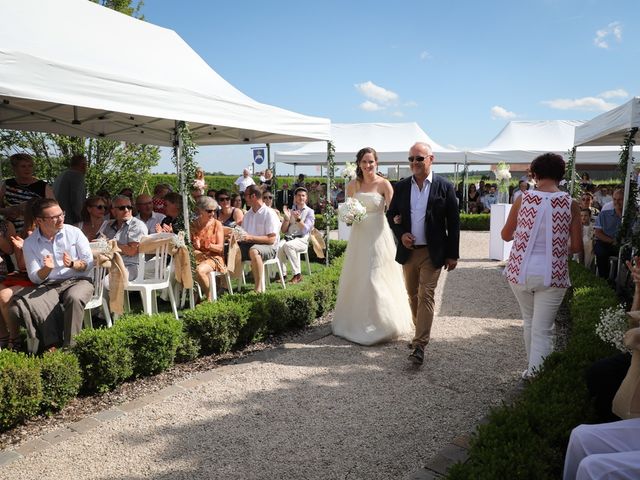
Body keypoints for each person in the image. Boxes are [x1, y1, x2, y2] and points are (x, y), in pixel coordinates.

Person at [502, 153, 582, 380]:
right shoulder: (571, 203)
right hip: (553, 274)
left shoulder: (523, 199)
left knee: (529, 322)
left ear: (535, 174)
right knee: (544, 329)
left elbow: (506, 235)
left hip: (520, 272)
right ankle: (538, 377)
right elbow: (576, 246)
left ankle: (531, 371)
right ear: (561, 176)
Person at [386, 142, 460, 364]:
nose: (414, 163)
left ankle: (419, 345)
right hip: (409, 252)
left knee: (426, 294)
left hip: (433, 252)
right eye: (411, 159)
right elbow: (391, 216)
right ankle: (420, 330)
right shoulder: (400, 187)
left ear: (431, 159)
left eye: (419, 158)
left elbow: (454, 223)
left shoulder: (444, 187)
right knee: (413, 295)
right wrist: (401, 233)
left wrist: (452, 254)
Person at [331, 147, 412, 346]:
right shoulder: (352, 185)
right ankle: (357, 321)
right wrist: (349, 216)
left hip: (378, 235)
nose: (368, 165)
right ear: (359, 164)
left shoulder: (384, 184)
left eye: (371, 162)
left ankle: (383, 323)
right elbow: (348, 213)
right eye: (364, 162)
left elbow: (393, 212)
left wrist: (399, 220)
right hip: (360, 235)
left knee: (376, 276)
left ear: (377, 163)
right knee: (360, 275)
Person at [9, 198, 94, 349]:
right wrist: (46, 269)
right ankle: (51, 343)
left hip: (78, 280)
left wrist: (74, 264)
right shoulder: (30, 242)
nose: (60, 219)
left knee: (74, 297)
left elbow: (89, 262)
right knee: (15, 309)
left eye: (61, 214)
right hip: (49, 285)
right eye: (54, 217)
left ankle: (70, 348)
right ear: (39, 221)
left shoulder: (74, 233)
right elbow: (35, 277)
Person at [237, 185, 281, 293]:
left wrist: (250, 238)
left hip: (269, 248)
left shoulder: (269, 213)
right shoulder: (247, 214)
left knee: (254, 251)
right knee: (228, 248)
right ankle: (223, 286)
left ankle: (258, 288)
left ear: (253, 196)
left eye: (245, 195)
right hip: (250, 245)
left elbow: (271, 240)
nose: (244, 198)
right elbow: (244, 235)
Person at [0, 153, 55, 233]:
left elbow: (54, 210)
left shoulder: (43, 186)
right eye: (23, 166)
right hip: (10, 230)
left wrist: (30, 210)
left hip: (35, 230)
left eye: (30, 166)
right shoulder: (6, 184)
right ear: (14, 168)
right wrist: (6, 211)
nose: (27, 169)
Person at [100, 195, 148, 281]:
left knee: (106, 283)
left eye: (129, 207)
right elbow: (100, 244)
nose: (126, 210)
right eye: (122, 208)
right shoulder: (108, 225)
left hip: (131, 266)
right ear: (113, 211)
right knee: (88, 276)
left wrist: (111, 245)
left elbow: (132, 250)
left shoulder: (136, 225)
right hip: (108, 264)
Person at [190, 196, 226, 300]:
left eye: (214, 211)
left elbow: (220, 248)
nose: (212, 214)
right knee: (184, 267)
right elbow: (189, 246)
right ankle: (195, 295)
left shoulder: (217, 224)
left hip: (214, 257)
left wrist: (209, 246)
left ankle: (209, 297)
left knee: (200, 270)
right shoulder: (193, 225)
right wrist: (195, 245)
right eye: (209, 211)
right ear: (200, 210)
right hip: (197, 256)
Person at [277, 187, 314, 284]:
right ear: (295, 197)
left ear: (306, 198)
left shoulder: (310, 212)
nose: (301, 197)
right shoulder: (290, 210)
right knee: (279, 246)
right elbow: (284, 230)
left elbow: (305, 229)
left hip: (302, 239)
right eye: (298, 195)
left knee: (288, 246)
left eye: (303, 196)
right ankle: (283, 275)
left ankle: (297, 275)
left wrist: (298, 219)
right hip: (289, 237)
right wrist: (286, 218)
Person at [593, 188, 623, 279]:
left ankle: (619, 281)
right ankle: (604, 280)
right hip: (605, 242)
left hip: (623, 244)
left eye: (620, 199)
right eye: (614, 199)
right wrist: (612, 241)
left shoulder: (630, 216)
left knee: (626, 255)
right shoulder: (604, 214)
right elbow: (598, 233)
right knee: (601, 253)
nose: (616, 202)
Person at [52, 154, 87, 225]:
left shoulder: (61, 175)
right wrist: (81, 219)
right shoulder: (76, 175)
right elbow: (77, 200)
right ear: (83, 165)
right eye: (85, 165)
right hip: (70, 221)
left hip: (57, 218)